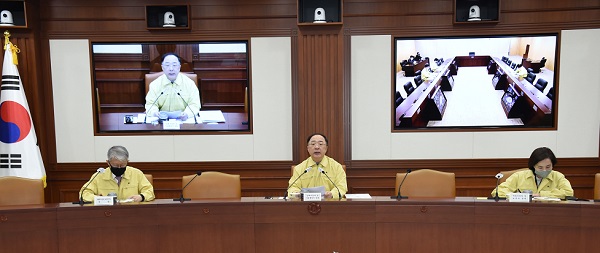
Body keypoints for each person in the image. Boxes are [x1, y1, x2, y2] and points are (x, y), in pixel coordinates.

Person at [491, 147, 573, 199]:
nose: (544, 170)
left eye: (548, 167)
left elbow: (568, 192)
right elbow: (497, 192)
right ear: (533, 166)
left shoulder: (558, 176)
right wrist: (520, 197)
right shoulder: (519, 176)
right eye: (540, 167)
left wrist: (541, 195)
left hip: (549, 213)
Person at [80, 146, 155, 202]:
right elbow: (83, 194)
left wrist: (141, 197)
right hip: (107, 214)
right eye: (115, 166)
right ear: (108, 163)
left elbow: (150, 191)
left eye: (122, 165)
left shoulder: (136, 173)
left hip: (132, 213)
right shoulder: (99, 175)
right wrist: (98, 199)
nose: (119, 168)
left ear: (127, 162)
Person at [287, 133, 348, 199]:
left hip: (329, 205)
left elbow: (342, 187)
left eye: (321, 144)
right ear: (308, 148)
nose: (317, 147)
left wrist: (332, 194)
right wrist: (297, 194)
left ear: (326, 148)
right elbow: (293, 187)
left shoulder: (336, 167)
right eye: (313, 144)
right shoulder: (299, 168)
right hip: (305, 206)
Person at [144, 52, 201, 121]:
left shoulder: (189, 84)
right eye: (167, 65)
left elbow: (195, 104)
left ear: (179, 67)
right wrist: (154, 112)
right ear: (162, 67)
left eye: (174, 65)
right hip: (162, 121)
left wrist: (187, 114)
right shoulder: (155, 84)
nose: (171, 69)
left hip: (184, 121)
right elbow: (150, 104)